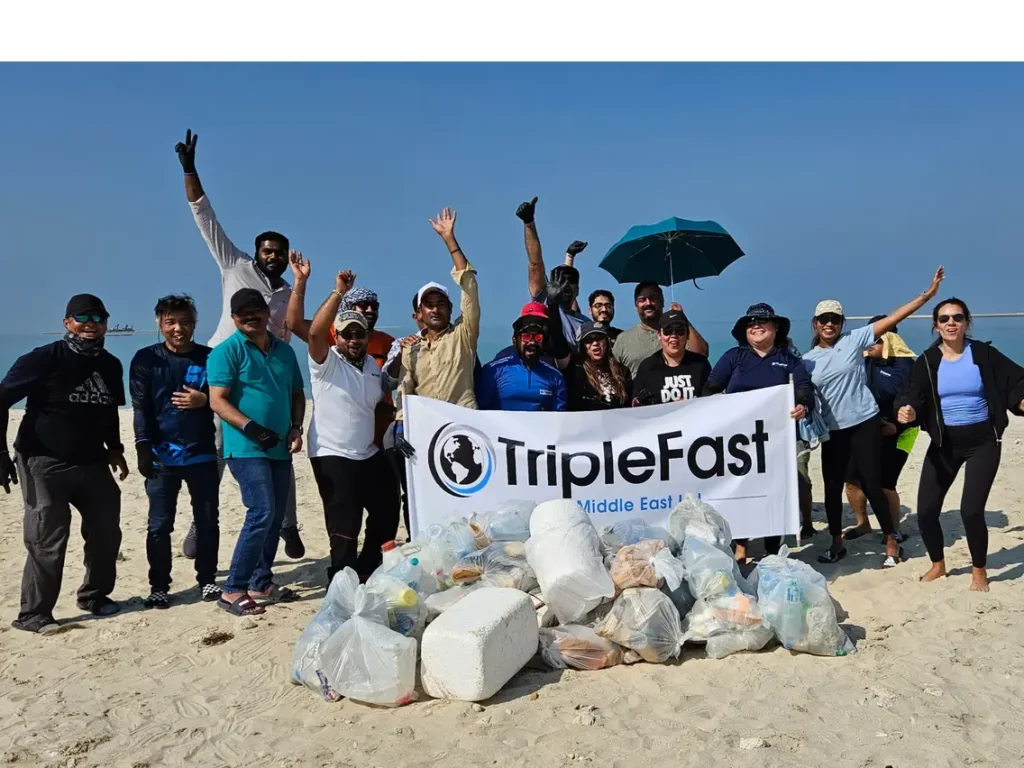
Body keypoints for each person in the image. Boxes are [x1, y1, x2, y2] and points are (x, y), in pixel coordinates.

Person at [174, 129, 304, 560]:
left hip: (266, 372)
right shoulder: (233, 264)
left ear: (286, 257)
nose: (272, 256)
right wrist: (190, 169)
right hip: (224, 366)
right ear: (256, 251)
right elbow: (203, 216)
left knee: (279, 448)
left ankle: (289, 526)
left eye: (279, 252)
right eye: (267, 250)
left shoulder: (287, 291)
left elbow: (289, 333)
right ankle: (199, 521)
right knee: (212, 453)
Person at [1, 294, 129, 634]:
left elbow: (109, 411)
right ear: (67, 322)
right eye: (82, 316)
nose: (91, 323)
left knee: (106, 532)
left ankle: (94, 595)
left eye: (98, 317)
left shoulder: (110, 364)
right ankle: (34, 614)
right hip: (43, 461)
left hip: (93, 462)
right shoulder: (43, 359)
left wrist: (115, 449)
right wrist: (1, 454)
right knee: (47, 539)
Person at [803, 266, 944, 567]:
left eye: (835, 319)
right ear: (815, 324)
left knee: (872, 482)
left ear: (841, 322)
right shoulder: (806, 361)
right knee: (832, 486)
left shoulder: (853, 341)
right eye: (824, 319)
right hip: (833, 431)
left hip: (865, 424)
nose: (829, 324)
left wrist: (926, 296)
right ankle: (836, 543)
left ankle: (891, 540)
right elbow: (797, 392)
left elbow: (894, 319)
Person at [897, 298, 1024, 592]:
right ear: (936, 325)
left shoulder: (983, 354)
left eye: (957, 317)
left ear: (967, 322)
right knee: (926, 511)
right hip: (945, 443)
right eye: (944, 318)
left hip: (983, 442)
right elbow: (911, 394)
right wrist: (907, 409)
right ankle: (938, 565)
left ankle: (979, 570)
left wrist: (1019, 400)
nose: (951, 323)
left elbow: (1015, 380)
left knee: (971, 510)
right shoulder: (928, 361)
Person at [207, 289, 305, 616]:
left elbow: (296, 394)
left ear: (267, 313)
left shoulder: (285, 352)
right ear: (234, 318)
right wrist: (250, 427)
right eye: (242, 313)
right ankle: (233, 588)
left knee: (276, 517)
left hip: (279, 446)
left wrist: (296, 427)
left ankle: (260, 581)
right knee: (261, 511)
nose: (251, 317)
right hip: (246, 448)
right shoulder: (226, 351)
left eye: (256, 311)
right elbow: (217, 400)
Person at [305, 271, 400, 583]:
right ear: (338, 336)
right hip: (333, 453)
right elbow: (315, 334)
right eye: (347, 334)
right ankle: (341, 577)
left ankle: (367, 566)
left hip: (367, 453)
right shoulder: (326, 360)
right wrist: (337, 293)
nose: (354, 340)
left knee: (387, 509)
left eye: (359, 335)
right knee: (345, 524)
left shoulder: (373, 366)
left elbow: (388, 392)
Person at [702, 303, 813, 562]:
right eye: (751, 322)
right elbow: (710, 388)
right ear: (745, 331)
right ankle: (741, 545)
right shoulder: (734, 356)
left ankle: (772, 549)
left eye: (763, 321)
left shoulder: (789, 360)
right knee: (742, 491)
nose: (756, 325)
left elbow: (804, 388)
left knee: (773, 493)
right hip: (739, 442)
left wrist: (803, 405)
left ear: (775, 328)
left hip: (776, 440)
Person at [129, 295, 221, 609]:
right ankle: (159, 586)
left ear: (194, 323)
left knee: (208, 521)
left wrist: (204, 400)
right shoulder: (145, 359)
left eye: (184, 322)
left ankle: (207, 580)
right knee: (159, 525)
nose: (178, 328)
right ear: (160, 324)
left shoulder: (210, 358)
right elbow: (140, 407)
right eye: (170, 322)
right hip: (160, 455)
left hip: (203, 453)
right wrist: (142, 446)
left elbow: (227, 397)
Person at [285, 252, 397, 449]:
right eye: (363, 305)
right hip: (342, 431)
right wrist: (300, 281)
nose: (370, 310)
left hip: (381, 421)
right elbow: (294, 324)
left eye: (374, 306)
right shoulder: (332, 336)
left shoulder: (388, 342)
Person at [395, 207, 480, 451]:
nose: (435, 310)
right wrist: (400, 424)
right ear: (419, 313)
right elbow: (405, 389)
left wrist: (450, 241)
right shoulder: (410, 348)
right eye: (429, 305)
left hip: (465, 427)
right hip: (426, 431)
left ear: (450, 308)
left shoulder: (464, 334)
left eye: (440, 304)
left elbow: (470, 288)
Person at [842, 317, 917, 544]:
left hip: (902, 431)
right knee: (852, 479)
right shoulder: (863, 362)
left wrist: (896, 424)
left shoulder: (905, 366)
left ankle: (894, 528)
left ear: (890, 339)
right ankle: (863, 523)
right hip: (869, 429)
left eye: (875, 340)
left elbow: (912, 400)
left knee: (885, 481)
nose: (869, 344)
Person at [516, 196, 589, 344]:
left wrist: (570, 256)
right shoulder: (543, 302)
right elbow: (535, 264)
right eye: (561, 282)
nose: (566, 285)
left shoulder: (584, 323)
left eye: (572, 283)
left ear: (578, 291)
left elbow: (566, 281)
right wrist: (529, 223)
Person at [476, 303, 568, 412]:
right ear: (515, 340)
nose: (532, 342)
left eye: (538, 337)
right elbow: (481, 413)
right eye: (526, 337)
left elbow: (559, 418)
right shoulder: (493, 370)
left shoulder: (556, 376)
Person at [612, 282, 709, 377]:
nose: (648, 303)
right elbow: (614, 374)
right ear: (636, 305)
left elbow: (701, 353)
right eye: (642, 300)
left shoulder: (677, 333)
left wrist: (682, 318)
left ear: (662, 301)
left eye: (653, 298)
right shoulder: (623, 339)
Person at [631, 310, 711, 406]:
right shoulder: (647, 367)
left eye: (680, 330)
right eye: (667, 331)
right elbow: (635, 404)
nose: (673, 336)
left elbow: (713, 400)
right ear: (659, 335)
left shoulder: (701, 364)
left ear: (687, 335)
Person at [565, 321, 633, 411]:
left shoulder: (623, 371)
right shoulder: (574, 371)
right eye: (589, 340)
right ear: (582, 346)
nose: (595, 343)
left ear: (607, 342)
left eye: (599, 338)